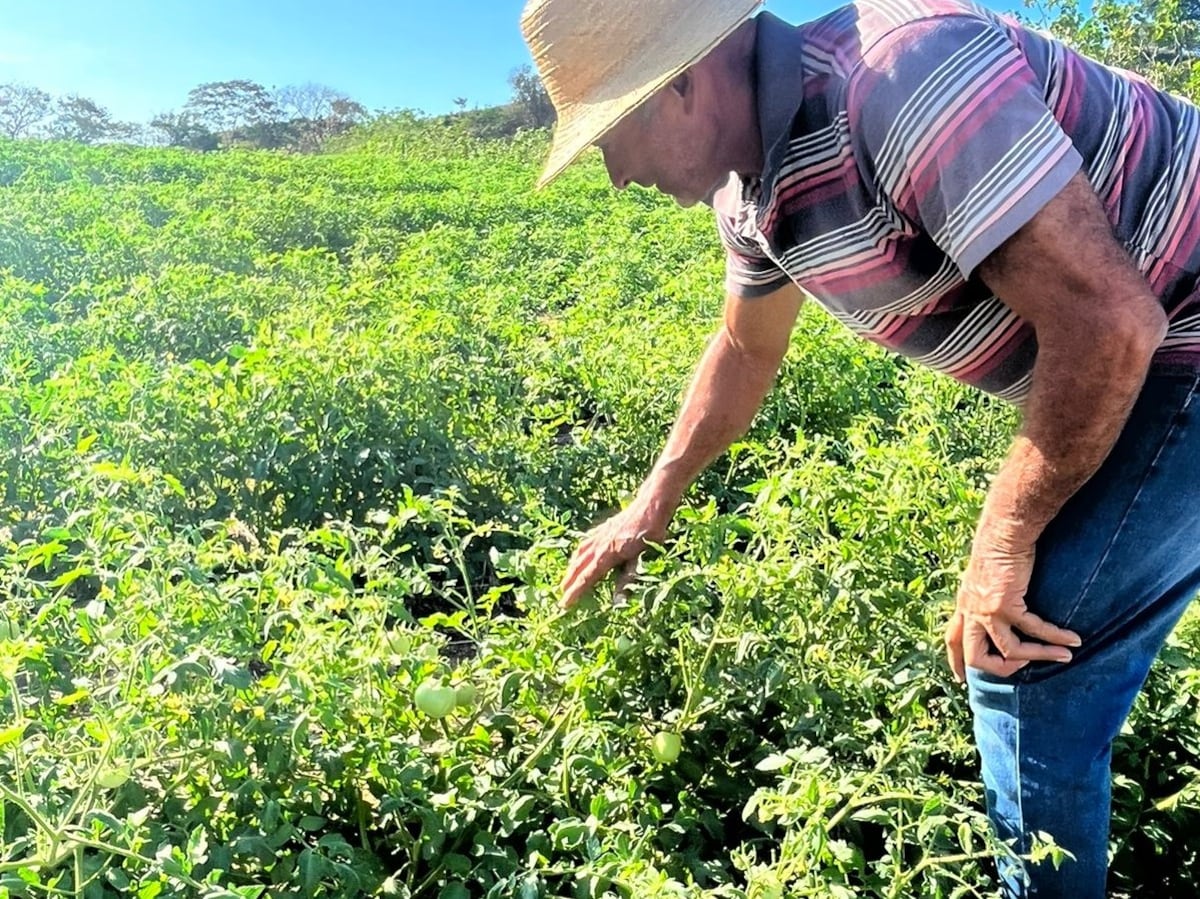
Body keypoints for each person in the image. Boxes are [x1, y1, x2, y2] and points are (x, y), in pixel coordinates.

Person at [520, 0, 1200, 895]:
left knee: (1019, 659)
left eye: (610, 136)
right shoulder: (751, 193)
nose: (613, 174)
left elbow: (1111, 325)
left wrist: (1002, 539)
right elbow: (742, 349)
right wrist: (650, 506)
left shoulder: (899, 81)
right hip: (1140, 349)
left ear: (680, 83)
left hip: (1174, 340)